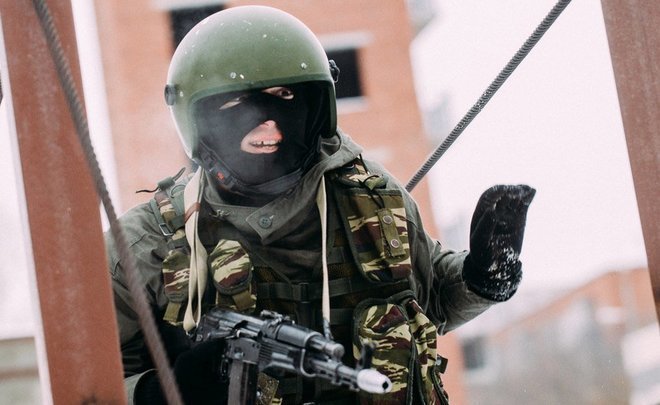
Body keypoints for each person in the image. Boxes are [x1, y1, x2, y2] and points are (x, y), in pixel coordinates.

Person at [105, 5, 535, 405]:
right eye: (235, 103)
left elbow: (430, 298)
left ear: (316, 105)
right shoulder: (147, 244)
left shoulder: (371, 201)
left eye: (284, 96)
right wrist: (160, 393)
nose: (266, 120)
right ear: (197, 118)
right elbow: (89, 381)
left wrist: (482, 277)